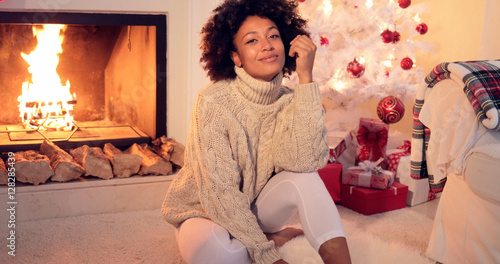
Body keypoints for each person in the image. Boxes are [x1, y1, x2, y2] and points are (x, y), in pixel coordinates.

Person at [161, 0, 351, 263]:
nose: (267, 45)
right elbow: (220, 192)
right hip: (204, 209)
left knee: (305, 178)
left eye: (274, 35)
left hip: (256, 206)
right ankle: (266, 238)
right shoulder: (213, 101)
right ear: (235, 56)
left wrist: (306, 78)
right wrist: (267, 254)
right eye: (252, 41)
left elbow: (306, 162)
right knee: (219, 255)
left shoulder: (291, 100)